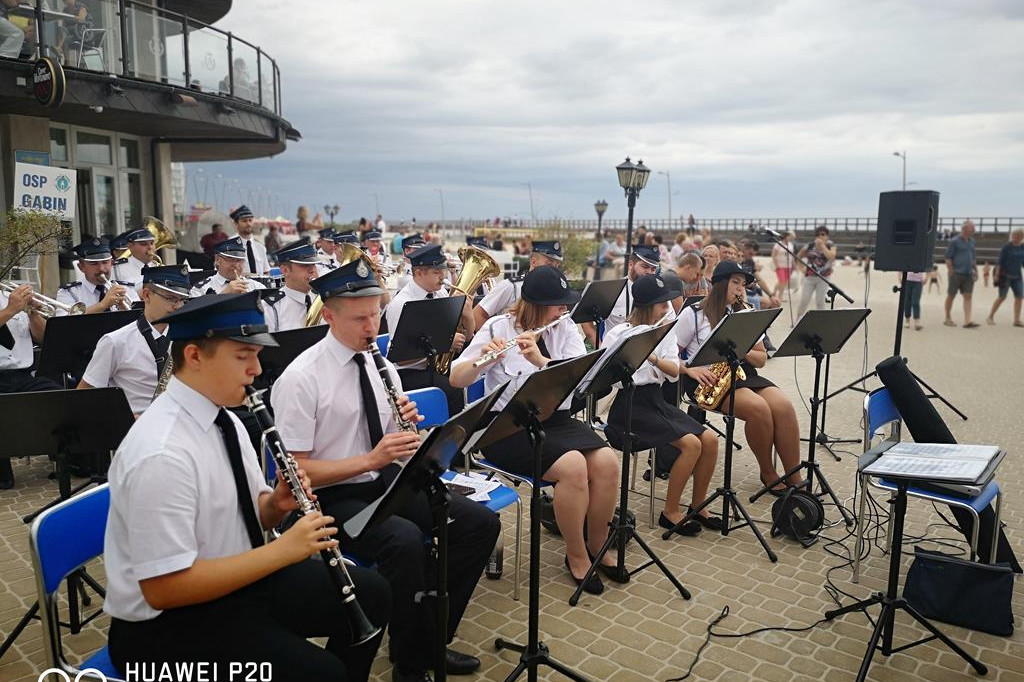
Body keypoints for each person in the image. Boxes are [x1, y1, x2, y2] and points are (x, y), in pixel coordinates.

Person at [102, 291, 391, 681]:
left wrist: (277, 504)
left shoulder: (226, 418)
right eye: (243, 356)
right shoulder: (161, 453)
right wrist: (286, 550)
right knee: (322, 673)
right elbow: (164, 589)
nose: (256, 370)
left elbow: (249, 511)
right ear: (195, 356)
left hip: (235, 583)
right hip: (164, 631)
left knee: (372, 594)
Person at [270, 260, 498, 682]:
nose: (371, 325)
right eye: (360, 317)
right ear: (328, 314)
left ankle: (428, 640)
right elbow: (294, 476)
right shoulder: (302, 378)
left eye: (375, 312)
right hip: (328, 497)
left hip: (381, 481)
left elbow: (390, 440)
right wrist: (374, 459)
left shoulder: (381, 366)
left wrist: (407, 426)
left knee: (477, 525)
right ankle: (409, 664)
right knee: (406, 543)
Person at [450, 266, 622, 594]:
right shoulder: (498, 327)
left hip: (555, 419)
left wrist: (541, 361)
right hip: (506, 428)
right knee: (574, 468)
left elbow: (582, 381)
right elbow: (457, 379)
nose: (565, 310)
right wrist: (483, 362)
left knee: (607, 462)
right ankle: (576, 556)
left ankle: (597, 544)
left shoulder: (565, 329)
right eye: (558, 304)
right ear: (536, 305)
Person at [602, 275, 720, 535]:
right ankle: (670, 512)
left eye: (666, 303)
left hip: (655, 399)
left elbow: (673, 372)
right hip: (630, 406)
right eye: (661, 305)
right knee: (691, 445)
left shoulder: (665, 329)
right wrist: (640, 349)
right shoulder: (618, 335)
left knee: (710, 440)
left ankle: (698, 505)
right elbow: (611, 379)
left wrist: (651, 354)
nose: (667, 309)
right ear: (645, 306)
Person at [675, 261, 803, 495]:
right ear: (720, 283)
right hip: (706, 379)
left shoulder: (745, 315)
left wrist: (738, 345)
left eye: (743, 284)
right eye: (735, 282)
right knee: (759, 409)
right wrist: (689, 369)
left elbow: (761, 359)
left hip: (743, 372)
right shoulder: (693, 315)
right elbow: (670, 354)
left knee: (783, 406)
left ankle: (796, 478)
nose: (740, 289)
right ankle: (768, 472)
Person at [78, 265, 190, 414]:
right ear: (147, 295)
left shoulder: (189, 338)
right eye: (171, 299)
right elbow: (83, 397)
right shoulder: (115, 341)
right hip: (133, 428)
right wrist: (124, 418)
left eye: (182, 300)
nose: (178, 306)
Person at [385, 244, 473, 415]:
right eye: (436, 272)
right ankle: (451, 436)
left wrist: (468, 316)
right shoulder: (401, 304)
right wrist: (445, 342)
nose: (443, 276)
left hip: (433, 367)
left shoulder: (439, 294)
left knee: (469, 375)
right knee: (453, 390)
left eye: (444, 270)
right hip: (409, 372)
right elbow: (402, 359)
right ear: (418, 273)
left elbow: (467, 337)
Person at [0, 282, 59, 488]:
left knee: (63, 400)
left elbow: (44, 338)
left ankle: (67, 460)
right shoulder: (12, 303)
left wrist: (33, 313)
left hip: (24, 376)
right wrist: (9, 310)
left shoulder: (11, 294)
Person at [473, 240, 563, 328]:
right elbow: (478, 314)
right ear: (534, 262)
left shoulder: (554, 292)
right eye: (549, 264)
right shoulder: (511, 286)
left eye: (557, 265)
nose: (554, 270)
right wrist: (493, 339)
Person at [57, 238, 140, 314]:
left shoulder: (126, 289)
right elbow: (64, 324)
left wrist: (124, 311)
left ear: (111, 263)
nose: (101, 269)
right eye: (94, 264)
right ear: (81, 267)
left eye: (105, 262)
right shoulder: (69, 292)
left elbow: (141, 321)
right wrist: (103, 305)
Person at [264, 238, 320, 333]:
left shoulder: (323, 299)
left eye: (314, 264)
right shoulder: (270, 308)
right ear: (285, 270)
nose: (312, 270)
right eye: (305, 265)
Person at [605, 245, 661, 329]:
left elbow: (668, 321)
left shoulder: (659, 292)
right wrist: (603, 342)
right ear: (630, 265)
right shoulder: (613, 290)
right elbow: (587, 320)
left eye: (653, 269)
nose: (649, 272)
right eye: (645, 267)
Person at [191, 237, 267, 296]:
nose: (236, 265)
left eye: (239, 260)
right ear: (217, 260)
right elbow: (197, 315)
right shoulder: (200, 289)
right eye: (231, 259)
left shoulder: (257, 287)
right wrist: (224, 295)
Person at [943, 219, 979, 328]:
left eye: (973, 227)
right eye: (971, 227)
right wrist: (950, 271)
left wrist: (976, 270)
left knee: (968, 296)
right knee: (951, 295)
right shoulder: (954, 241)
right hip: (956, 273)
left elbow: (973, 258)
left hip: (968, 274)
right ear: (964, 229)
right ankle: (947, 318)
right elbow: (948, 257)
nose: (973, 229)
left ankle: (967, 321)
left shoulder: (972, 241)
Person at [796, 226, 837, 317]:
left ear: (827, 236)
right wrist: (801, 268)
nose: (820, 236)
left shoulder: (831, 245)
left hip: (824, 278)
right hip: (809, 277)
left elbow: (832, 257)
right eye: (818, 235)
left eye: (823, 234)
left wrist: (822, 246)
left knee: (820, 301)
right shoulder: (810, 245)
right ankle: (798, 320)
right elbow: (799, 256)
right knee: (804, 300)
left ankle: (821, 322)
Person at [987, 227, 1024, 327]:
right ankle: (990, 316)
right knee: (1002, 297)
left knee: (1020, 297)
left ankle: (1016, 320)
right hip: (1005, 276)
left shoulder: (1022, 247)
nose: (1017, 237)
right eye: (1015, 235)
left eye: (1019, 235)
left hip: (1017, 277)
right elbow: (999, 262)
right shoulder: (1007, 247)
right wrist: (996, 275)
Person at [113, 227, 159, 293]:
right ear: (130, 246)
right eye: (144, 244)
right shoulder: (117, 268)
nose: (150, 247)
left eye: (152, 243)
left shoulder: (159, 267)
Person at [230, 205, 271, 276]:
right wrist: (249, 276)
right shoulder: (229, 246)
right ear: (236, 224)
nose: (248, 224)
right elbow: (225, 273)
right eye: (244, 221)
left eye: (250, 220)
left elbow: (266, 272)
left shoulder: (260, 246)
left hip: (260, 286)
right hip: (239, 286)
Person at [771, 231, 796, 296]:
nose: (791, 238)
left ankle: (775, 291)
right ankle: (780, 296)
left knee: (784, 281)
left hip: (788, 265)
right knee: (782, 280)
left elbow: (792, 255)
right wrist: (776, 264)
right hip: (780, 265)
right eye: (790, 236)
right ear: (786, 236)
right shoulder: (778, 244)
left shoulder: (791, 244)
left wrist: (794, 264)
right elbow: (773, 255)